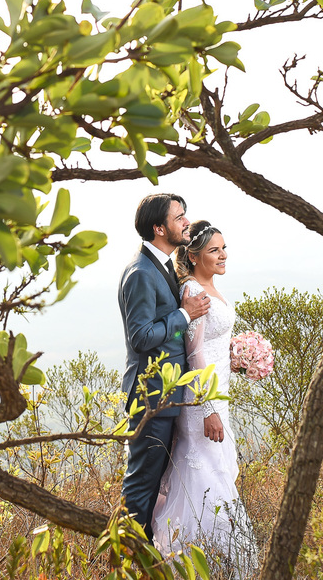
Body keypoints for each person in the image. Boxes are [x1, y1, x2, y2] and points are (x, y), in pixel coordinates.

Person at [152, 220, 257, 575]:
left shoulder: (211, 287)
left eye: (224, 247)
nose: (223, 254)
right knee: (205, 475)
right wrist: (209, 409)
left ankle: (216, 561)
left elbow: (212, 345)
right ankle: (207, 562)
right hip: (201, 401)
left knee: (218, 471)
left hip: (219, 394)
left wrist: (241, 356)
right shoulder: (193, 292)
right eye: (214, 250)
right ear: (194, 256)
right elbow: (193, 353)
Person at [118, 193, 211, 542]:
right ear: (159, 228)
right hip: (151, 394)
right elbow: (141, 337)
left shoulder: (163, 265)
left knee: (153, 483)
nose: (186, 221)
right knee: (142, 484)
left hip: (166, 395)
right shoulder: (141, 273)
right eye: (179, 217)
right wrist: (185, 315)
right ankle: (123, 556)